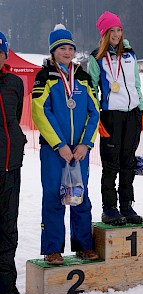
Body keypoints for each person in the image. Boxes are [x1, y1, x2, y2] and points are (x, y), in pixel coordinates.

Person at [32, 24, 100, 265]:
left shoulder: (82, 77)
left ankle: (84, 245)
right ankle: (53, 249)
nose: (67, 52)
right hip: (54, 151)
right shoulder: (45, 77)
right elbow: (40, 112)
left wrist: (85, 144)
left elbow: (94, 112)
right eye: (62, 48)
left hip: (79, 151)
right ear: (53, 51)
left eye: (70, 48)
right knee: (53, 196)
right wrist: (59, 144)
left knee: (80, 195)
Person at [88, 11, 143, 226]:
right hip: (111, 115)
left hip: (131, 114)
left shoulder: (130, 54)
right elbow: (92, 88)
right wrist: (98, 114)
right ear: (104, 33)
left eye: (119, 30)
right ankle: (109, 208)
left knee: (128, 163)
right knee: (111, 164)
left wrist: (140, 109)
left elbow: (136, 83)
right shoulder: (96, 58)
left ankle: (126, 205)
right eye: (112, 30)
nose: (116, 34)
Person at [0, 31, 29, 294]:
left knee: (9, 228)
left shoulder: (14, 83)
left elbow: (15, 117)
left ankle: (7, 288)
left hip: (10, 165)